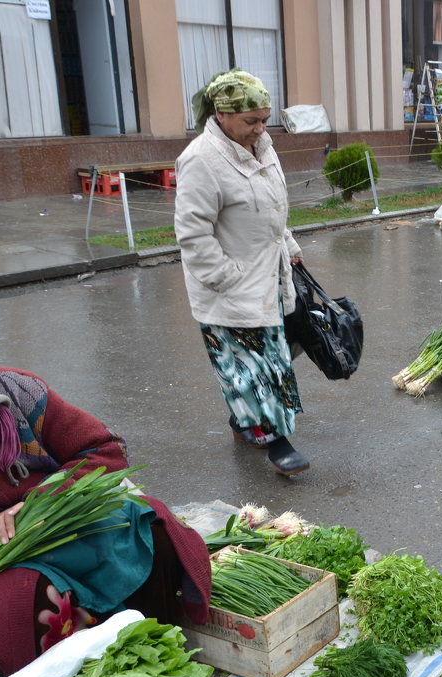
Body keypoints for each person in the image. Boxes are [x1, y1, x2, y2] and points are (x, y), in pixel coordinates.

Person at [0, 367, 211, 677]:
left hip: (57, 519)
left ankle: (150, 638)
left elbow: (106, 449)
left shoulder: (16, 393)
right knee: (26, 598)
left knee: (147, 527)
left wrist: (38, 502)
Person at [175, 69, 310, 476]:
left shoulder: (263, 148)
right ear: (222, 114)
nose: (260, 129)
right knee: (255, 366)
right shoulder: (201, 159)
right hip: (229, 286)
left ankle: (243, 419)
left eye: (265, 120)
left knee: (286, 347)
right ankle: (277, 443)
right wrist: (225, 278)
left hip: (270, 275)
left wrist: (290, 248)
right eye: (251, 121)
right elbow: (192, 234)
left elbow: (272, 208)